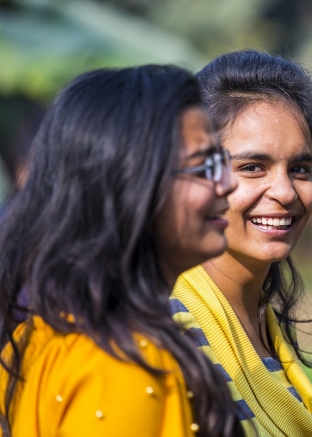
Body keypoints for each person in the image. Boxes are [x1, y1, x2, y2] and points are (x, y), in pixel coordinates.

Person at [0, 65, 242, 437]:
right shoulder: (123, 364)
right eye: (203, 166)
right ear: (129, 185)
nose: (228, 183)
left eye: (221, 162)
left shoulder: (42, 333)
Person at [170, 50, 312, 437]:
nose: (284, 191)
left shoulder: (265, 325)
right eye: (251, 167)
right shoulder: (166, 326)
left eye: (299, 169)